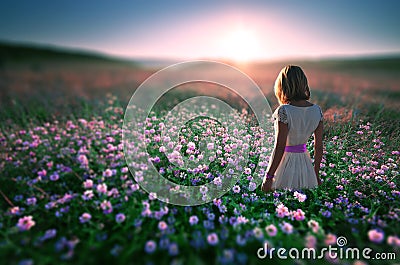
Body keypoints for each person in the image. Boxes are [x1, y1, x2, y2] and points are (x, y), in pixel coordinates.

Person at [261, 65, 323, 192]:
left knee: (282, 203)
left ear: (283, 86)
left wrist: (269, 177)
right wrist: (315, 173)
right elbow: (319, 147)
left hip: (285, 164)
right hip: (306, 165)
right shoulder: (317, 110)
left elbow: (280, 147)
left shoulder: (284, 110)